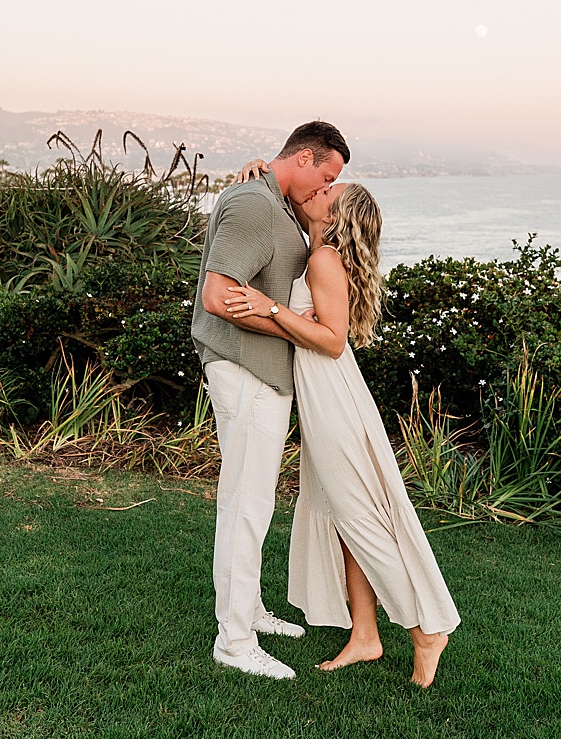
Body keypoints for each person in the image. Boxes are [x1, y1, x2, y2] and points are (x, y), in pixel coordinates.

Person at [223, 181, 460, 688]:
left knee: (360, 519)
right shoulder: (318, 250)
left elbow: (332, 342)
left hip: (333, 400)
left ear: (335, 213)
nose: (320, 189)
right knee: (343, 519)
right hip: (325, 396)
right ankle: (365, 636)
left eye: (331, 190)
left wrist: (270, 308)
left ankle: (426, 631)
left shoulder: (324, 259)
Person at [191, 120, 349, 680]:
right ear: (305, 157)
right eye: (325, 177)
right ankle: (233, 641)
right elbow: (216, 295)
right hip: (246, 369)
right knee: (245, 506)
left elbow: (263, 284)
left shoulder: (273, 200)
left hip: (263, 372)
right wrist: (289, 323)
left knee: (252, 502)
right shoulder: (257, 205)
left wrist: (283, 315)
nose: (323, 190)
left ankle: (250, 611)